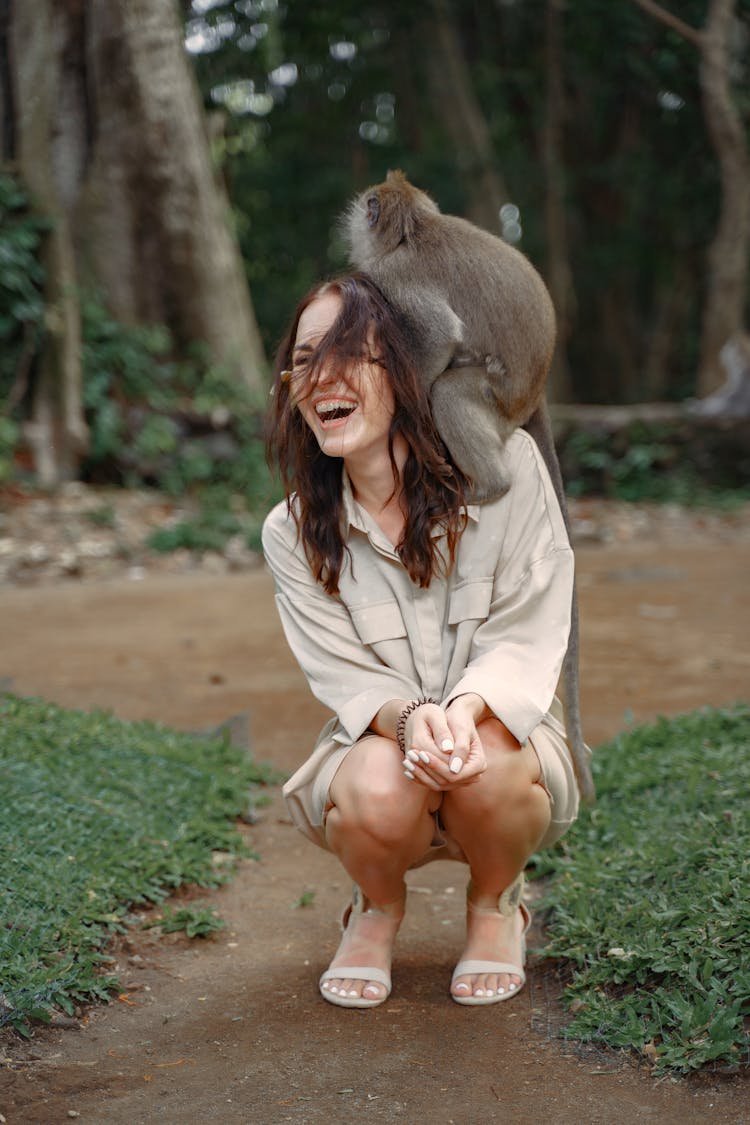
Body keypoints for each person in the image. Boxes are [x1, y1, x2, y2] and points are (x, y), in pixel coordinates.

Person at [262, 273, 582, 1009]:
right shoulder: (291, 531)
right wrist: (410, 721)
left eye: (350, 355)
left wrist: (464, 712)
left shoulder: (509, 476)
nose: (322, 379)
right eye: (306, 359)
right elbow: (342, 674)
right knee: (377, 786)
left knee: (492, 771)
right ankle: (374, 908)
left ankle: (495, 905)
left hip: (501, 737)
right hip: (379, 747)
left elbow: (528, 632)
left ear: (407, 373)